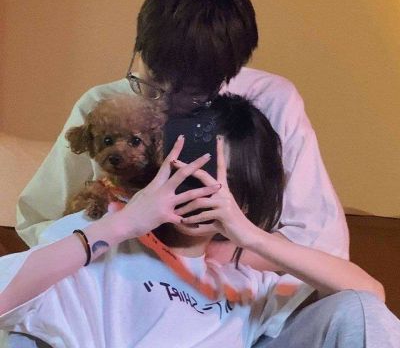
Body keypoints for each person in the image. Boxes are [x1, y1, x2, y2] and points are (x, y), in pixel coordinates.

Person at [8, 0, 400, 347]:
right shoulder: (105, 108)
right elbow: (42, 219)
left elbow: (329, 252)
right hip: (115, 280)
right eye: (151, 82)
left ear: (227, 76)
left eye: (188, 94)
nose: (165, 101)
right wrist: (124, 228)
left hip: (248, 316)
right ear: (138, 48)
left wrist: (231, 241)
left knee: (359, 311)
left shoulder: (267, 106)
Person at [0, 96, 396, 348]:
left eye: (224, 181)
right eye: (190, 171)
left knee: (358, 308)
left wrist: (251, 237)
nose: (201, 190)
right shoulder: (98, 240)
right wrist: (126, 223)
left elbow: (366, 301)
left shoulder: (246, 280)